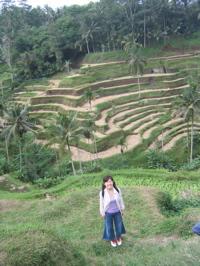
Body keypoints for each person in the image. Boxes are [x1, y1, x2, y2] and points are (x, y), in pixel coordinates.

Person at [99, 175, 126, 247]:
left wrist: (122, 209)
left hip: (117, 212)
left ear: (113, 182)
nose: (109, 183)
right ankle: (112, 239)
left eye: (110, 181)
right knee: (109, 227)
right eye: (107, 182)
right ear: (104, 183)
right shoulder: (102, 192)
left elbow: (121, 200)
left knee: (119, 226)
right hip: (108, 213)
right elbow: (101, 204)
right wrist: (102, 213)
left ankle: (118, 237)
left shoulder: (117, 190)